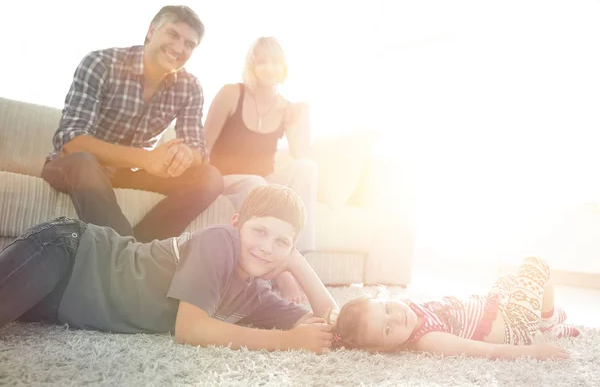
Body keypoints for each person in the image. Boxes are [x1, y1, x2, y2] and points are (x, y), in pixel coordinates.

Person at [0, 185, 337, 353]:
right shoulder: (220, 242)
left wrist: (298, 263)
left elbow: (331, 325)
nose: (266, 248)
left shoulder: (256, 298)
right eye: (259, 231)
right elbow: (190, 329)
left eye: (282, 242)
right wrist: (289, 342)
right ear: (237, 225)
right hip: (69, 253)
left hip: (62, 303)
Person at [41, 5, 223, 243]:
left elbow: (198, 149)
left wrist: (184, 153)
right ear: (151, 31)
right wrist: (146, 159)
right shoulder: (101, 63)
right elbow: (72, 142)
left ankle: (140, 247)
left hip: (127, 173)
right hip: (73, 166)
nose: (179, 48)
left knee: (209, 177)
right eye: (172, 34)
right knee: (83, 161)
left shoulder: (189, 86)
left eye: (189, 44)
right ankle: (125, 253)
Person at [203, 36, 317, 304]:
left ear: (284, 66)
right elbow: (204, 144)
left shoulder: (287, 107)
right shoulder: (232, 93)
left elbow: (301, 155)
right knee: (257, 183)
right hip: (226, 177)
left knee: (306, 168)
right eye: (261, 61)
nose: (269, 68)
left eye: (275, 61)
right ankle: (283, 276)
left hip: (261, 181)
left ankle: (294, 259)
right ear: (251, 66)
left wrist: (302, 119)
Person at [329, 257, 580, 360]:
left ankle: (546, 318)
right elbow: (487, 350)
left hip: (494, 306)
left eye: (386, 309)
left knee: (508, 278)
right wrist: (536, 352)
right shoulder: (429, 339)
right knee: (535, 266)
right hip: (515, 327)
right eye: (386, 329)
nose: (396, 318)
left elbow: (384, 297)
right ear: (385, 347)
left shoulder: (405, 309)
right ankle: (546, 323)